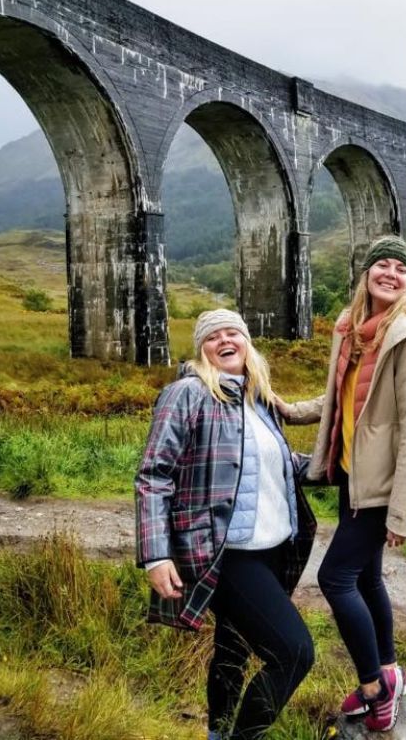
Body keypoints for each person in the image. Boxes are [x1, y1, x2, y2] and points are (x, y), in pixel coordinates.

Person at [280, 235, 406, 732]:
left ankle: (375, 687)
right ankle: (391, 668)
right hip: (352, 473)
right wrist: (290, 410)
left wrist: (402, 512)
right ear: (367, 273)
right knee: (367, 578)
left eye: (401, 269)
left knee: (335, 578)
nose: (391, 273)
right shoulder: (352, 331)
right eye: (382, 265)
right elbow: (340, 399)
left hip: (384, 485)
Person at [135, 309, 316, 740]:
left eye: (232, 331)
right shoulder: (187, 393)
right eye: (212, 336)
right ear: (202, 350)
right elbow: (154, 475)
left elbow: (284, 466)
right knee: (293, 653)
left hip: (272, 548)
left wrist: (343, 468)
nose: (224, 340)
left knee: (231, 650)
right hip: (225, 553)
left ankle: (217, 733)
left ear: (247, 342)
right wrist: (156, 555)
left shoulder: (258, 401)